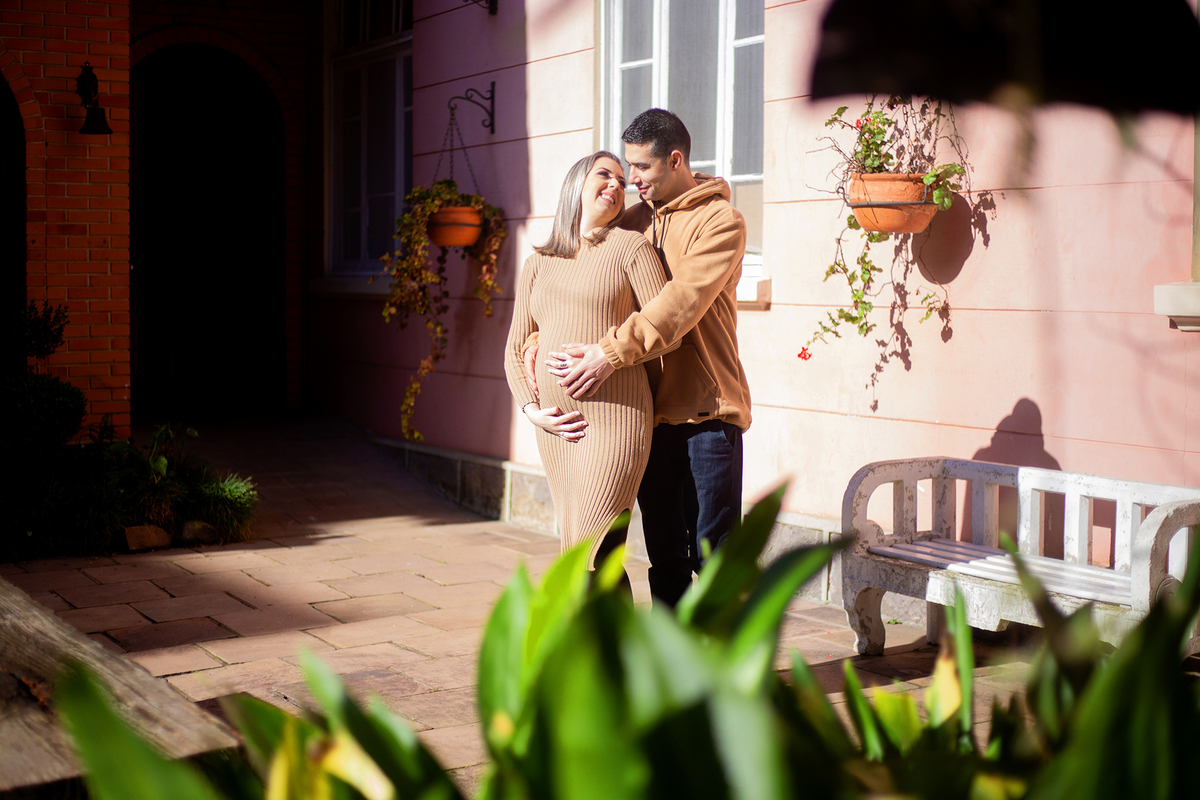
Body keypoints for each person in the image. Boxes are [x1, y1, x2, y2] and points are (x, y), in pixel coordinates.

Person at [524, 109, 751, 607]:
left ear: (675, 159)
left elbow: (679, 304)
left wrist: (608, 353)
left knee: (714, 559)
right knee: (665, 559)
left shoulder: (721, 222)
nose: (633, 183)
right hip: (646, 415)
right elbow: (587, 270)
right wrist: (538, 337)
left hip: (705, 411)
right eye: (625, 171)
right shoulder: (632, 222)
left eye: (641, 170)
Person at [503, 150, 676, 572]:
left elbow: (665, 330)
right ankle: (607, 638)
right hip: (558, 428)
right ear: (576, 185)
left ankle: (585, 636)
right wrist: (533, 411)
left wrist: (610, 356)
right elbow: (514, 348)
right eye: (605, 175)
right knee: (584, 552)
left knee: (591, 547)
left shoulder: (631, 248)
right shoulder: (538, 263)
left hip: (615, 419)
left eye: (622, 180)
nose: (617, 185)